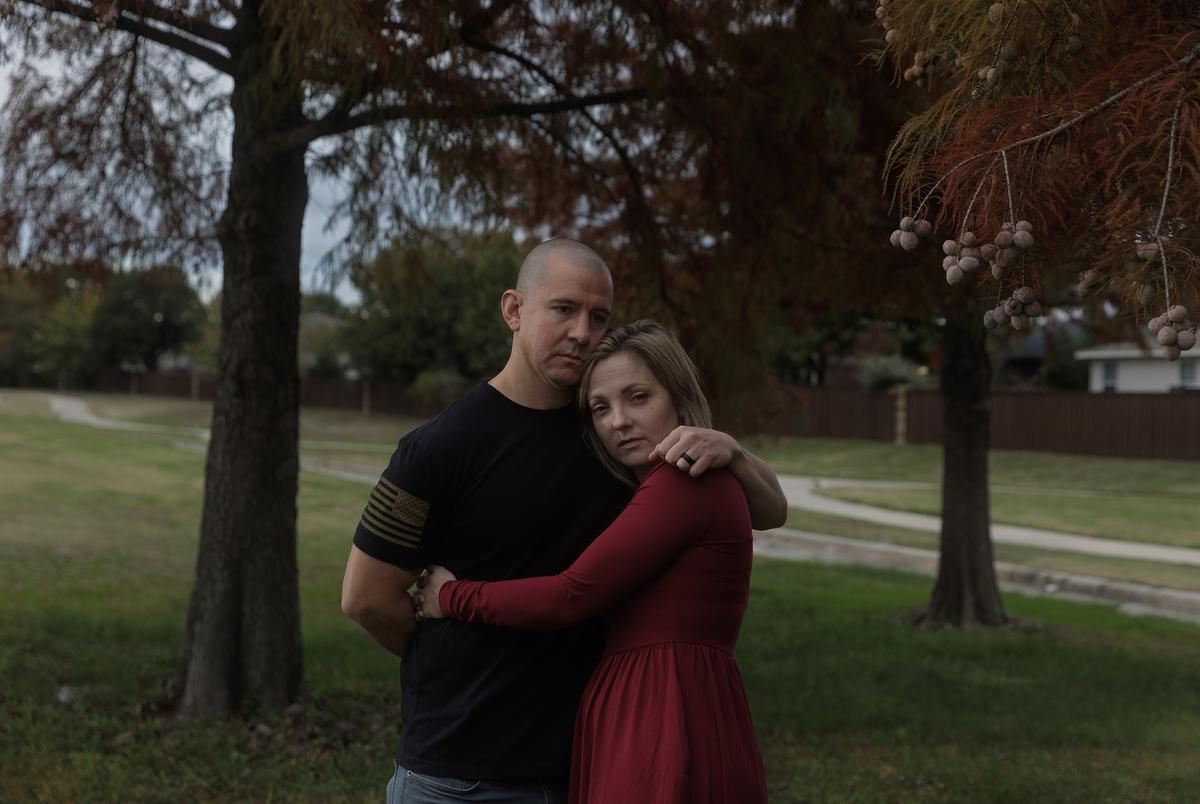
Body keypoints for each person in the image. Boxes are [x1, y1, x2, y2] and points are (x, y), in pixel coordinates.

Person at [341, 238, 786, 803]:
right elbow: (365, 599)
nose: (581, 331)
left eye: (598, 317)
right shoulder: (438, 448)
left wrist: (733, 450)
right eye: (563, 309)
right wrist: (458, 662)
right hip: (462, 774)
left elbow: (766, 511)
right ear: (514, 310)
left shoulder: (613, 438)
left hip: (580, 762)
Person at [413, 320, 767, 804]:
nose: (618, 421)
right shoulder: (682, 482)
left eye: (638, 397)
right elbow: (774, 509)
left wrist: (451, 596)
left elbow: (570, 595)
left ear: (678, 396)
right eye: (601, 407)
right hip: (678, 697)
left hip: (662, 705)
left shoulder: (680, 484)